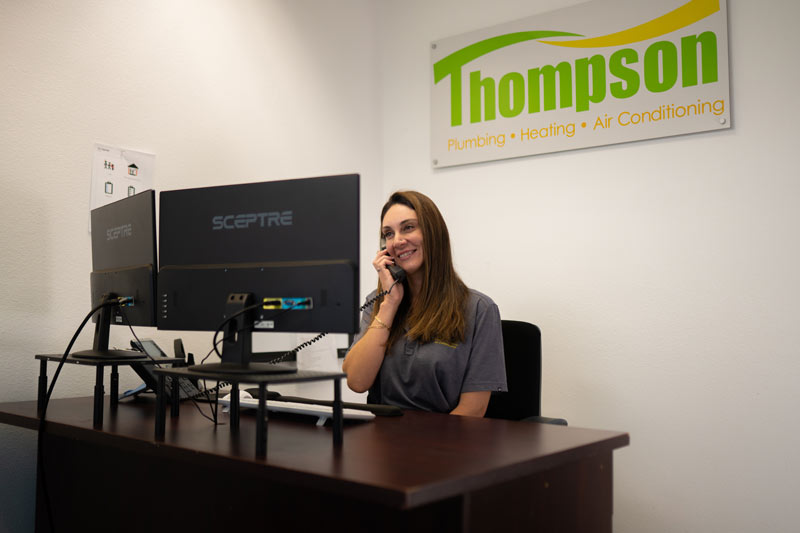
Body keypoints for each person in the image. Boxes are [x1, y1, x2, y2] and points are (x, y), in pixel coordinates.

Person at [342, 191, 507, 417]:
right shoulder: (379, 302)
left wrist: (427, 440)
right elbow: (357, 382)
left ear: (433, 234)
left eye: (408, 227)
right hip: (382, 434)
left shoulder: (478, 309)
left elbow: (473, 409)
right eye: (388, 234)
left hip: (447, 435)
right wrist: (390, 304)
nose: (397, 241)